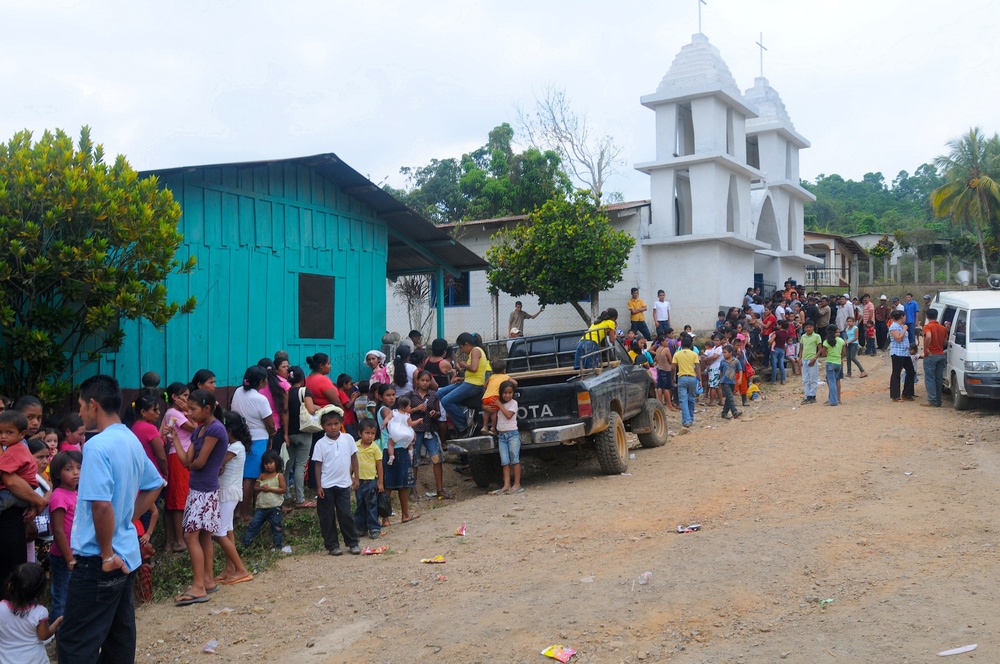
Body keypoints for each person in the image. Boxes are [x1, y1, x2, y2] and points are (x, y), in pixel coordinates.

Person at [58, 374, 163, 662]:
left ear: (93, 405)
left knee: (75, 641)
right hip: (126, 554)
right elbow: (155, 483)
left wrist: (106, 554)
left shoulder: (96, 445)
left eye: (80, 405)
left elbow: (101, 506)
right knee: (119, 636)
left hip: (100, 560)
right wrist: (127, 519)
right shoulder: (129, 437)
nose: (79, 412)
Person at [172, 389, 227, 606]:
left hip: (204, 491)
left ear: (207, 408)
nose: (189, 413)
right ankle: (208, 580)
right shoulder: (200, 430)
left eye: (193, 409)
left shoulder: (214, 429)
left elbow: (198, 462)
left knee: (190, 536)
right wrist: (175, 437)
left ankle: (198, 586)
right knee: (203, 535)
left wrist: (190, 465)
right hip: (201, 489)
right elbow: (186, 459)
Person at [0, 410, 47, 596]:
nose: (3, 436)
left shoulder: (15, 450)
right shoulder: (14, 447)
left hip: (13, 513)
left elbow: (9, 480)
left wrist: (36, 501)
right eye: (1, 432)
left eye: (8, 432)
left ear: (21, 433)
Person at [312, 408, 361, 555]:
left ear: (341, 423)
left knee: (345, 514)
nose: (333, 427)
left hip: (344, 483)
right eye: (329, 424)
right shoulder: (320, 444)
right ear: (322, 426)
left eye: (335, 423)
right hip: (326, 485)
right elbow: (317, 465)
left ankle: (352, 542)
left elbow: (354, 458)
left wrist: (356, 477)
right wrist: (319, 485)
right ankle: (332, 545)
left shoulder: (348, 439)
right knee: (327, 516)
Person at [231, 366, 276, 522]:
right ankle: (244, 513)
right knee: (250, 478)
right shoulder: (260, 399)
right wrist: (273, 433)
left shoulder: (238, 392)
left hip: (239, 437)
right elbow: (270, 424)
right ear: (262, 381)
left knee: (240, 475)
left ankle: (237, 510)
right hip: (257, 438)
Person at [213, 411, 252, 586]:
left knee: (218, 532)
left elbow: (218, 463)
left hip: (228, 492)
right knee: (227, 530)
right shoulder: (235, 446)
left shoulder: (235, 448)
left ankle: (241, 569)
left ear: (228, 430)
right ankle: (230, 568)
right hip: (227, 491)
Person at [0, 563, 62, 663]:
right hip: (34, 660)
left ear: (10, 585)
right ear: (38, 591)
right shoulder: (40, 613)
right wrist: (57, 622)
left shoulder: (1, 607)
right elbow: (44, 635)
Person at [46, 450, 81, 622]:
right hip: (63, 556)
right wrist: (69, 559)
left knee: (72, 596)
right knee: (61, 597)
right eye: (69, 469)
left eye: (79, 468)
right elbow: (58, 530)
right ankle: (59, 637)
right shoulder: (59, 496)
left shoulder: (75, 493)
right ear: (58, 473)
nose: (75, 472)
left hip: (75, 552)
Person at [160, 383, 194, 553]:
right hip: (179, 457)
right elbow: (195, 428)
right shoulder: (174, 413)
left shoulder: (176, 413)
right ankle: (179, 540)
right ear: (174, 397)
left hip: (181, 456)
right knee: (179, 500)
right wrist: (190, 411)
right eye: (185, 396)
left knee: (176, 499)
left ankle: (172, 540)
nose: (187, 399)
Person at [439, 332, 492, 433]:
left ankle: (463, 426)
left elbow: (474, 368)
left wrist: (463, 364)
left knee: (446, 401)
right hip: (468, 382)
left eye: (461, 348)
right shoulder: (473, 352)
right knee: (440, 393)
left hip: (474, 385)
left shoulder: (476, 351)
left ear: (466, 344)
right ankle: (465, 411)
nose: (462, 351)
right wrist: (462, 379)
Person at [408, 371, 449, 499]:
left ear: (430, 382)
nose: (425, 383)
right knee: (414, 460)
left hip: (430, 430)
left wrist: (434, 413)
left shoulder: (434, 395)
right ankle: (413, 491)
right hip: (415, 431)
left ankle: (440, 489)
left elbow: (438, 412)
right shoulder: (410, 395)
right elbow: (404, 411)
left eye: (427, 381)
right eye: (422, 380)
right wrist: (416, 409)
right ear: (417, 381)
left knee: (437, 459)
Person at [285, 366, 317, 509]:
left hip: (289, 433)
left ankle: (286, 494)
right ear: (302, 378)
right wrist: (320, 408)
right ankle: (300, 499)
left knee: (288, 464)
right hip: (304, 431)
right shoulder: (305, 391)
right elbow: (310, 409)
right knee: (300, 465)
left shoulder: (286, 392)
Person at [241, 451, 285, 550]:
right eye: (266, 463)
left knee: (277, 527)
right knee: (253, 525)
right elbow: (255, 487)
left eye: (271, 463)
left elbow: (283, 489)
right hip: (261, 507)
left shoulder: (279, 476)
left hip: (275, 507)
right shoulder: (262, 476)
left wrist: (269, 489)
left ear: (276, 463)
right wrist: (262, 488)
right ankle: (244, 545)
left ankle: (278, 547)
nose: (268, 466)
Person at [490, 380, 523, 495]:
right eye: (505, 393)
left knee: (515, 460)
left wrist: (499, 405)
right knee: (504, 462)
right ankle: (506, 484)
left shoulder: (513, 403)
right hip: (502, 436)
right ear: (501, 393)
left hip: (512, 434)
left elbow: (509, 415)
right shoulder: (499, 404)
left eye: (510, 393)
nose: (507, 395)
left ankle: (517, 484)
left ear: (513, 393)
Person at [353, 418, 384, 540]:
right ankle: (361, 528)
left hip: (371, 481)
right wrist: (351, 478)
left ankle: (374, 528)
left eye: (372, 433)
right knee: (360, 504)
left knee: (371, 505)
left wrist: (380, 482)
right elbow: (352, 463)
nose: (370, 436)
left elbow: (379, 466)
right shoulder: (355, 446)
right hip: (358, 481)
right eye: (367, 433)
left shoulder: (375, 448)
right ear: (360, 433)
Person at [672, 335, 700, 428]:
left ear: (681, 345)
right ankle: (691, 418)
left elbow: (673, 367)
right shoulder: (694, 354)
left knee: (683, 400)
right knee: (691, 398)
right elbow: (698, 368)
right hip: (692, 377)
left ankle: (686, 420)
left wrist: (673, 377)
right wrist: (699, 379)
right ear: (691, 344)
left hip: (682, 378)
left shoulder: (677, 354)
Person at [922, 308, 947, 407]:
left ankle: (932, 400)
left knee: (930, 378)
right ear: (937, 316)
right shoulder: (942, 328)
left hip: (931, 355)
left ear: (927, 317)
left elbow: (928, 336)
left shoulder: (927, 327)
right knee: (939, 378)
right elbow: (945, 342)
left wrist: (927, 349)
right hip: (941, 354)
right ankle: (938, 400)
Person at [481, 359, 514, 434]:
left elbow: (485, 386)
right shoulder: (505, 376)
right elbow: (515, 383)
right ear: (504, 370)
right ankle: (493, 428)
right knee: (494, 413)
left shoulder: (491, 377)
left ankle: (485, 426)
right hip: (494, 397)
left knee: (487, 412)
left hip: (486, 397)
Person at [888, 310, 915, 402]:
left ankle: (907, 393)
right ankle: (895, 395)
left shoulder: (902, 326)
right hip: (897, 352)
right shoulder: (894, 326)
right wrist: (904, 330)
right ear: (901, 317)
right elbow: (898, 338)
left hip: (905, 353)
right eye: (904, 316)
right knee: (896, 373)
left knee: (911, 371)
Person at [817, 325, 846, 406]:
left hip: (830, 362)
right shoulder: (841, 340)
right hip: (838, 363)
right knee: (835, 381)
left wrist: (829, 353)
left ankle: (833, 401)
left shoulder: (826, 342)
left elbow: (823, 354)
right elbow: (843, 353)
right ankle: (834, 398)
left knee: (831, 382)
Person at [799, 321, 822, 405]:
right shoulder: (803, 336)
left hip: (812, 359)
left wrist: (815, 359)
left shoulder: (817, 336)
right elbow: (801, 348)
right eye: (807, 327)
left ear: (813, 328)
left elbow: (820, 349)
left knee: (813, 378)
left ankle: (812, 396)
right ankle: (807, 396)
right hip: (804, 359)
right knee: (805, 379)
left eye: (810, 327)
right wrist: (800, 358)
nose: (808, 329)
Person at [654, 332, 676, 411]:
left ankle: (660, 403)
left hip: (659, 369)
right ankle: (669, 405)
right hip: (666, 369)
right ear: (662, 342)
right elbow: (670, 360)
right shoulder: (666, 350)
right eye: (666, 341)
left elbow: (656, 359)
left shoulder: (658, 349)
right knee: (667, 387)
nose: (667, 342)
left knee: (660, 387)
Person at [719, 345, 742, 420]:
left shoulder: (735, 361)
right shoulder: (722, 361)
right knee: (730, 397)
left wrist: (740, 378)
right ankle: (734, 411)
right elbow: (721, 372)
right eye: (723, 352)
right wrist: (720, 381)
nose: (724, 354)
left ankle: (724, 413)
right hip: (725, 381)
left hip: (732, 382)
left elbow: (740, 370)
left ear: (730, 353)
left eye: (725, 352)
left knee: (729, 397)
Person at [769, 320, 790, 385]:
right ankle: (783, 380)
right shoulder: (786, 333)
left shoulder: (776, 333)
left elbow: (770, 341)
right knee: (781, 364)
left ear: (780, 326)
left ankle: (773, 380)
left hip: (775, 349)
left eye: (778, 325)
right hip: (782, 349)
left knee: (774, 365)